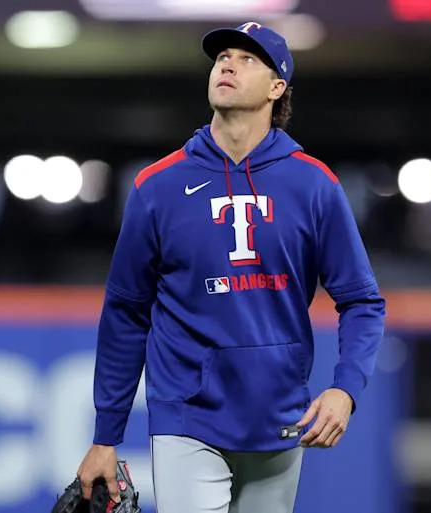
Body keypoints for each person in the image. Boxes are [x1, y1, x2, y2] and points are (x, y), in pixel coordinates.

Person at [75, 21, 386, 513]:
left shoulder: (313, 184)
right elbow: (125, 314)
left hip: (279, 415)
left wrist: (345, 389)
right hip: (186, 415)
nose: (227, 64)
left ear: (277, 87)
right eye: (223, 57)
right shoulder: (157, 186)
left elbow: (362, 301)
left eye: (247, 59)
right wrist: (105, 436)